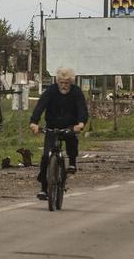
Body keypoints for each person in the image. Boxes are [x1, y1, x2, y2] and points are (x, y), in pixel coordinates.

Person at [29, 67, 89, 200]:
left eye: (67, 83)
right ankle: (44, 189)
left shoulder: (76, 92)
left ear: (71, 82)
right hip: (52, 127)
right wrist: (34, 122)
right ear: (57, 82)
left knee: (72, 139)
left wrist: (81, 123)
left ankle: (72, 163)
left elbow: (82, 109)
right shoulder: (51, 91)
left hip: (69, 126)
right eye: (61, 82)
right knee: (45, 157)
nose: (64, 86)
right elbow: (40, 106)